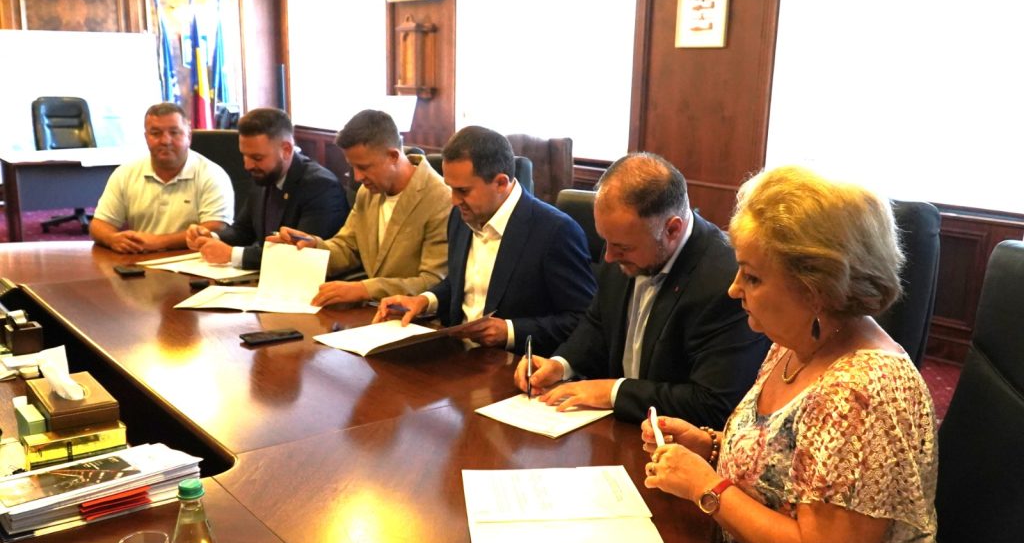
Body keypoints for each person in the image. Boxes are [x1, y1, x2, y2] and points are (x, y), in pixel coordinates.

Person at [641, 166, 937, 543]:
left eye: (753, 277)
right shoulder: (794, 342)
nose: (734, 289)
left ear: (816, 289)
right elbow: (787, 468)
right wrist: (710, 446)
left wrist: (707, 488)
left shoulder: (863, 391)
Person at [514, 153, 767, 427]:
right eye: (606, 242)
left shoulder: (726, 282)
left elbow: (712, 404)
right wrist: (561, 364)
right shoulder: (625, 247)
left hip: (675, 441)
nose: (608, 257)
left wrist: (613, 392)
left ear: (672, 229)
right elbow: (598, 324)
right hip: (614, 428)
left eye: (622, 247)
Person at [375, 126, 596, 355]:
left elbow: (583, 321)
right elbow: (460, 283)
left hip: (513, 362)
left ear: (500, 183)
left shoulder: (555, 231)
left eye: (463, 191)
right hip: (457, 354)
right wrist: (424, 301)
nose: (453, 200)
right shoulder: (462, 215)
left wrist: (510, 331)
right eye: (451, 188)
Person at [269, 109, 450, 305]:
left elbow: (432, 282)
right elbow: (348, 247)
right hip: (375, 311)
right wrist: (312, 246)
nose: (357, 177)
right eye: (353, 167)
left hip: (413, 316)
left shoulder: (440, 198)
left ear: (393, 156)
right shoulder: (368, 192)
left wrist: (365, 289)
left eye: (363, 167)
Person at [185, 108, 348, 270]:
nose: (247, 165)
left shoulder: (320, 187)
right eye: (244, 155)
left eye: (257, 157)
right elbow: (243, 231)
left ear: (286, 150)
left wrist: (232, 255)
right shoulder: (264, 175)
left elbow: (300, 254)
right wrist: (211, 237)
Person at [90, 103, 233, 253]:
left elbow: (216, 228)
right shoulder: (125, 173)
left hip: (194, 260)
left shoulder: (212, 174)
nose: (165, 141)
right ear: (146, 138)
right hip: (140, 259)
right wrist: (112, 238)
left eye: (174, 132)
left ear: (189, 136)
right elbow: (99, 225)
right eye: (156, 133)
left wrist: (159, 242)